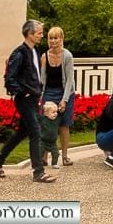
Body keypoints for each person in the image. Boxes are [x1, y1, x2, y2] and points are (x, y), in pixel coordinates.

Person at [0, 19, 56, 183]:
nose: (42, 36)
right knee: (35, 131)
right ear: (30, 34)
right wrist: (23, 93)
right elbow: (9, 79)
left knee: (22, 132)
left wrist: (37, 92)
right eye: (39, 33)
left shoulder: (34, 51)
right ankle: (38, 172)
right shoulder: (19, 53)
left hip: (33, 98)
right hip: (25, 100)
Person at [40, 26, 76, 166]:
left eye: (56, 38)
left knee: (64, 125)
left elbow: (69, 80)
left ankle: (65, 156)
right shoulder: (44, 56)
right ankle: (44, 156)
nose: (53, 41)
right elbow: (43, 78)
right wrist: (40, 96)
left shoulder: (67, 56)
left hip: (65, 92)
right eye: (51, 38)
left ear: (61, 39)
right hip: (49, 92)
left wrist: (64, 100)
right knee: (48, 125)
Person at [39, 101, 61, 169]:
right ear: (46, 113)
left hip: (53, 142)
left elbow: (61, 114)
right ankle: (37, 164)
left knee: (56, 153)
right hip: (43, 141)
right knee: (39, 153)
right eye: (53, 112)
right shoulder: (43, 119)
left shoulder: (56, 120)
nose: (55, 114)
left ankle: (54, 164)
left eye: (56, 112)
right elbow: (37, 116)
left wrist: (60, 109)